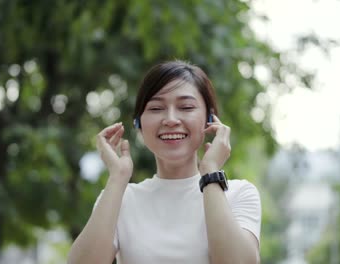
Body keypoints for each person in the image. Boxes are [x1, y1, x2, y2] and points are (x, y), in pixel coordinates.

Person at [68, 60, 261, 264]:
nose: (170, 119)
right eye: (156, 108)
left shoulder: (238, 194)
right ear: (139, 124)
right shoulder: (119, 199)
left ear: (210, 120)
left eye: (186, 107)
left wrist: (211, 172)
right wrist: (117, 177)